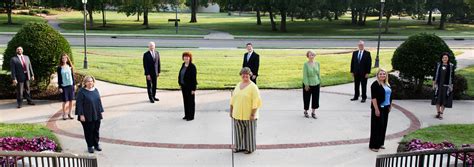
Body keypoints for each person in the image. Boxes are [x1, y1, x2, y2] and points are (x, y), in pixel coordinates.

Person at [230, 67, 262, 154]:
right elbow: (233, 99)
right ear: (241, 75)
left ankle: (249, 148)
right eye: (243, 74)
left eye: (247, 74)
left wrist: (253, 114)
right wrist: (231, 110)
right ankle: (239, 147)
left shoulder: (253, 87)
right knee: (238, 132)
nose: (245, 76)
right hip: (237, 113)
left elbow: (256, 102)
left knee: (249, 133)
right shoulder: (238, 85)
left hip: (249, 115)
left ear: (250, 75)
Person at [75, 76, 104, 153]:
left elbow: (98, 101)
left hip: (96, 114)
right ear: (85, 83)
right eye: (88, 81)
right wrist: (81, 115)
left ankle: (96, 144)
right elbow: (79, 104)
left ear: (93, 82)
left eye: (91, 81)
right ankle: (90, 146)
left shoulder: (96, 90)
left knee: (96, 130)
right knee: (89, 131)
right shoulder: (82, 92)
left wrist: (100, 111)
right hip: (86, 115)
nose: (90, 82)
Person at [369, 69, 392, 152]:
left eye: (384, 74)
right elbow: (373, 98)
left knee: (383, 126)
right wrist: (376, 109)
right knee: (377, 126)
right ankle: (374, 145)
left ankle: (380, 143)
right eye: (380, 74)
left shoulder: (387, 84)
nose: (382, 75)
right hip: (378, 108)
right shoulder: (375, 85)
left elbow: (389, 95)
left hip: (386, 107)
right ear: (377, 75)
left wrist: (390, 105)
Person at [431, 52, 455, 120]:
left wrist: (451, 86)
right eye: (443, 57)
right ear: (441, 58)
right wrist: (433, 84)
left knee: (444, 100)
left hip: (446, 86)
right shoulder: (438, 65)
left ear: (448, 59)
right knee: (437, 99)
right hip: (438, 85)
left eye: (446, 58)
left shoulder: (451, 66)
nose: (444, 59)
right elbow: (434, 75)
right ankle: (438, 112)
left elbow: (452, 77)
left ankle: (441, 113)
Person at [178, 52, 197, 121]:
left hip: (190, 88)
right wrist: (180, 84)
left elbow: (194, 79)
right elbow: (180, 75)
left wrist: (193, 89)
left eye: (187, 57)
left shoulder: (192, 67)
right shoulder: (183, 65)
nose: (186, 58)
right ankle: (186, 115)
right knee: (185, 101)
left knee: (191, 102)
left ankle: (191, 116)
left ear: (190, 58)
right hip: (183, 87)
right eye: (185, 57)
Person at [302, 50, 321, 119]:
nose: (312, 56)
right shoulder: (305, 64)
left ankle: (313, 112)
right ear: (308, 56)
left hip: (316, 83)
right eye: (310, 55)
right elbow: (305, 75)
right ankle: (306, 111)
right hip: (308, 84)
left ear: (314, 55)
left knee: (315, 98)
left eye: (313, 55)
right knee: (306, 98)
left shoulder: (317, 63)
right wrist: (306, 85)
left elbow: (319, 73)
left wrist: (319, 81)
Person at [57, 53, 75, 120]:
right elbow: (59, 78)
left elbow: (72, 76)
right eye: (63, 58)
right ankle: (64, 114)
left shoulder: (70, 66)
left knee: (71, 100)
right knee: (65, 101)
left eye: (65, 58)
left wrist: (74, 85)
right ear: (61, 59)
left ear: (67, 59)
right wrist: (60, 87)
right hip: (64, 86)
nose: (64, 59)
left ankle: (70, 113)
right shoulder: (59, 68)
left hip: (70, 85)